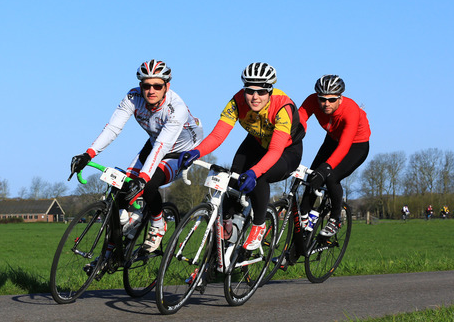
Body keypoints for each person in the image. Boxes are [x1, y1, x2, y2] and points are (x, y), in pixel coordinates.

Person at [70, 59, 203, 252]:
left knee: (148, 185)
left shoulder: (176, 108)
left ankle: (158, 225)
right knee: (123, 193)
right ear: (140, 85)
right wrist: (88, 154)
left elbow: (162, 146)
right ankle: (117, 245)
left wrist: (143, 178)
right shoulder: (133, 97)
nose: (151, 91)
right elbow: (113, 128)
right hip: (156, 141)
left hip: (181, 150)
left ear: (167, 86)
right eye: (146, 85)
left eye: (157, 86)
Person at [178, 62, 304, 250]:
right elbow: (218, 135)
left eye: (261, 92)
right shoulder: (237, 101)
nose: (255, 97)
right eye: (250, 91)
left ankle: (259, 225)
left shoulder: (282, 106)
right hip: (256, 141)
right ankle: (229, 229)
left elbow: (275, 151)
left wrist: (253, 172)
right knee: (233, 177)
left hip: (286, 150)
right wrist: (196, 152)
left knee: (259, 176)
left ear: (270, 91)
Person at [298, 75, 370, 236]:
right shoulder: (312, 100)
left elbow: (345, 145)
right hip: (332, 139)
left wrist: (326, 168)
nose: (326, 104)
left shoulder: (350, 110)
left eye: (331, 100)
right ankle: (304, 215)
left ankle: (335, 218)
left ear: (340, 98)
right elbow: (299, 119)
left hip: (355, 145)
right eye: (322, 99)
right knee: (312, 175)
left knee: (330, 176)